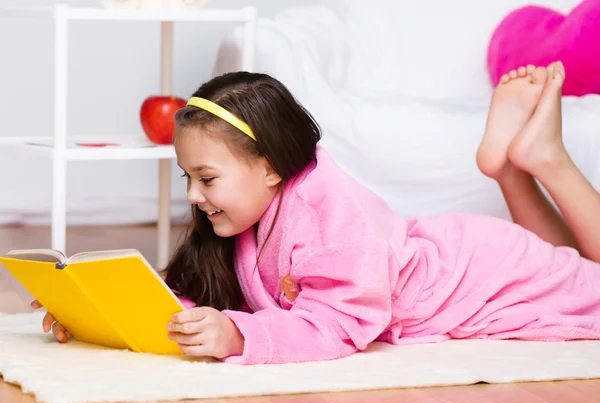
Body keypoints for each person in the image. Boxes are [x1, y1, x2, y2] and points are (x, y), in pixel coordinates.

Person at [33, 62, 600, 365]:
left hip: (483, 270)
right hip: (458, 245)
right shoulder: (242, 217)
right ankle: (515, 165)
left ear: (271, 167)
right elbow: (194, 298)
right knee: (577, 263)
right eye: (188, 177)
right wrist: (95, 311)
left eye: (207, 179)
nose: (193, 197)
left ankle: (539, 158)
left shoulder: (332, 218)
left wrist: (238, 337)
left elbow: (339, 324)